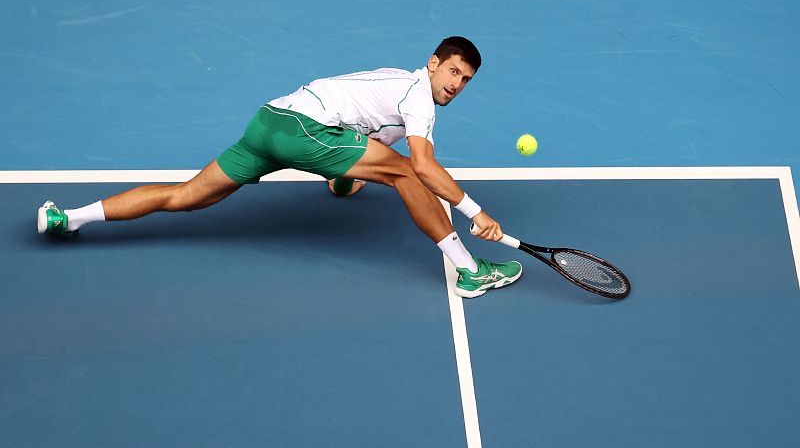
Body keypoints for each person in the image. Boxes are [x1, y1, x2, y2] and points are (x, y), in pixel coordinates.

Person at [38, 36, 522, 298]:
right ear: (433, 63)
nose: (457, 84)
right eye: (453, 71)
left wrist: (344, 177)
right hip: (303, 132)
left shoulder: (396, 82)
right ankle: (469, 270)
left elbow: (364, 132)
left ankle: (69, 218)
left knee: (185, 196)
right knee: (406, 172)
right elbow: (422, 167)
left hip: (268, 122)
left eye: (466, 79)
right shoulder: (419, 99)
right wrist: (475, 212)